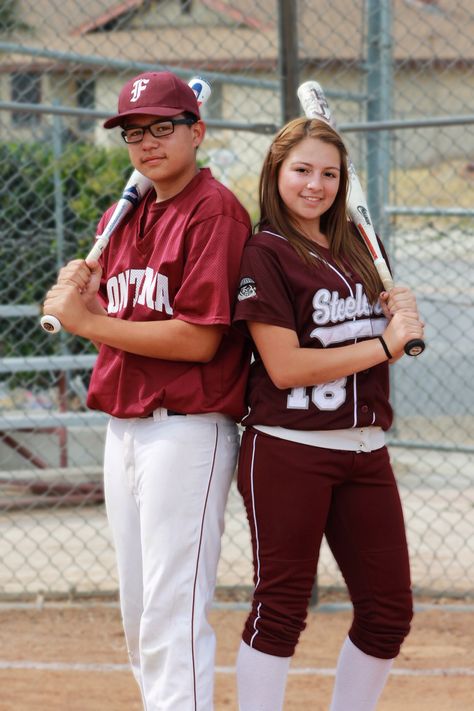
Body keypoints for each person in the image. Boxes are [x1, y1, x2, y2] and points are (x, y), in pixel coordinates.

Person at [43, 71, 251, 710]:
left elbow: (199, 340)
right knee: (139, 615)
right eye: (134, 132)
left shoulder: (214, 211)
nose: (147, 143)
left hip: (186, 428)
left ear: (198, 132)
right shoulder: (122, 212)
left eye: (163, 128)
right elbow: (117, 321)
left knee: (172, 611)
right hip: (125, 426)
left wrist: (91, 321)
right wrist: (80, 293)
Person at [232, 117, 425, 711]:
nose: (315, 185)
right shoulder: (263, 254)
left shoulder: (362, 247)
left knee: (388, 613)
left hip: (366, 451)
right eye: (302, 171)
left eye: (329, 174)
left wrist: (401, 310)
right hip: (290, 449)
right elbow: (285, 366)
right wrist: (386, 344)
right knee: (282, 607)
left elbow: (384, 331)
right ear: (276, 174)